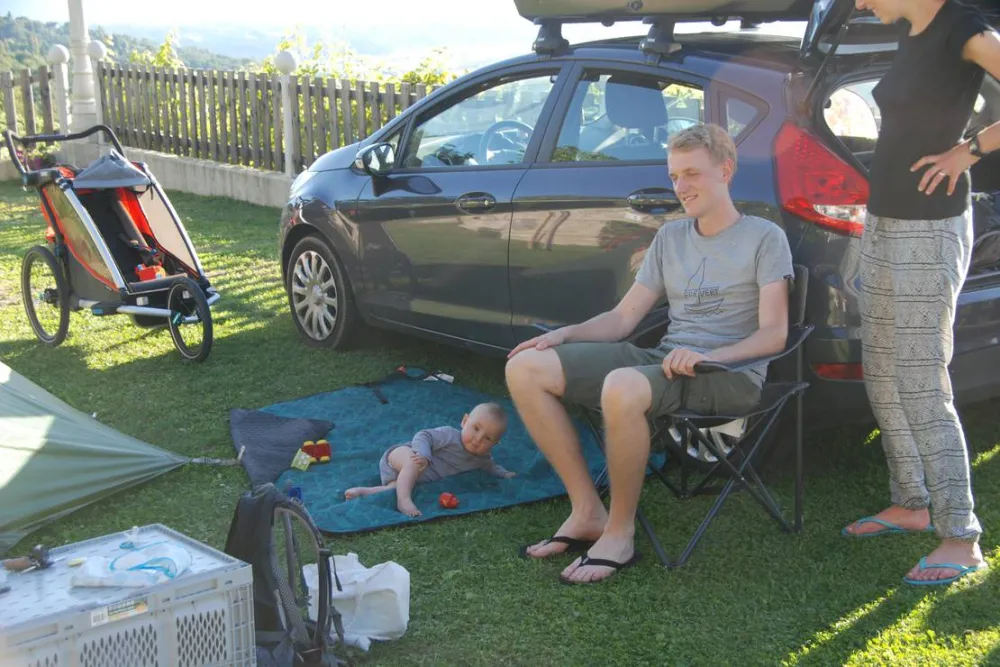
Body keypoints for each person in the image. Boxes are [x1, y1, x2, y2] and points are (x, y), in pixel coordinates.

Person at [505, 123, 793, 584]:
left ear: (726, 170)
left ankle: (620, 535)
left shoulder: (764, 237)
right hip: (665, 361)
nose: (681, 187)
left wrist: (709, 356)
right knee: (525, 367)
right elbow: (623, 320)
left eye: (692, 174)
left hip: (729, 373)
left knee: (621, 386)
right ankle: (587, 512)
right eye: (675, 176)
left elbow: (774, 334)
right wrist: (565, 334)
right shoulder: (671, 238)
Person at [840, 0, 999, 586]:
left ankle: (961, 536)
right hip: (885, 219)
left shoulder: (965, 28)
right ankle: (911, 501)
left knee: (919, 373)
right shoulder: (913, 30)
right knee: (880, 366)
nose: (859, 3)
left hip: (930, 229)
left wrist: (970, 150)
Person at [344, 402, 514, 516]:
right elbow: (423, 435)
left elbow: (491, 466)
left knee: (395, 488)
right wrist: (423, 454)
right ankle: (404, 502)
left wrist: (505, 474)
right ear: (464, 421)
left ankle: (363, 492)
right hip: (401, 455)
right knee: (413, 463)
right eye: (476, 429)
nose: (478, 439)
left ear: (495, 443)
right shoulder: (450, 435)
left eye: (487, 439)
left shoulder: (481, 458)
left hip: (408, 477)